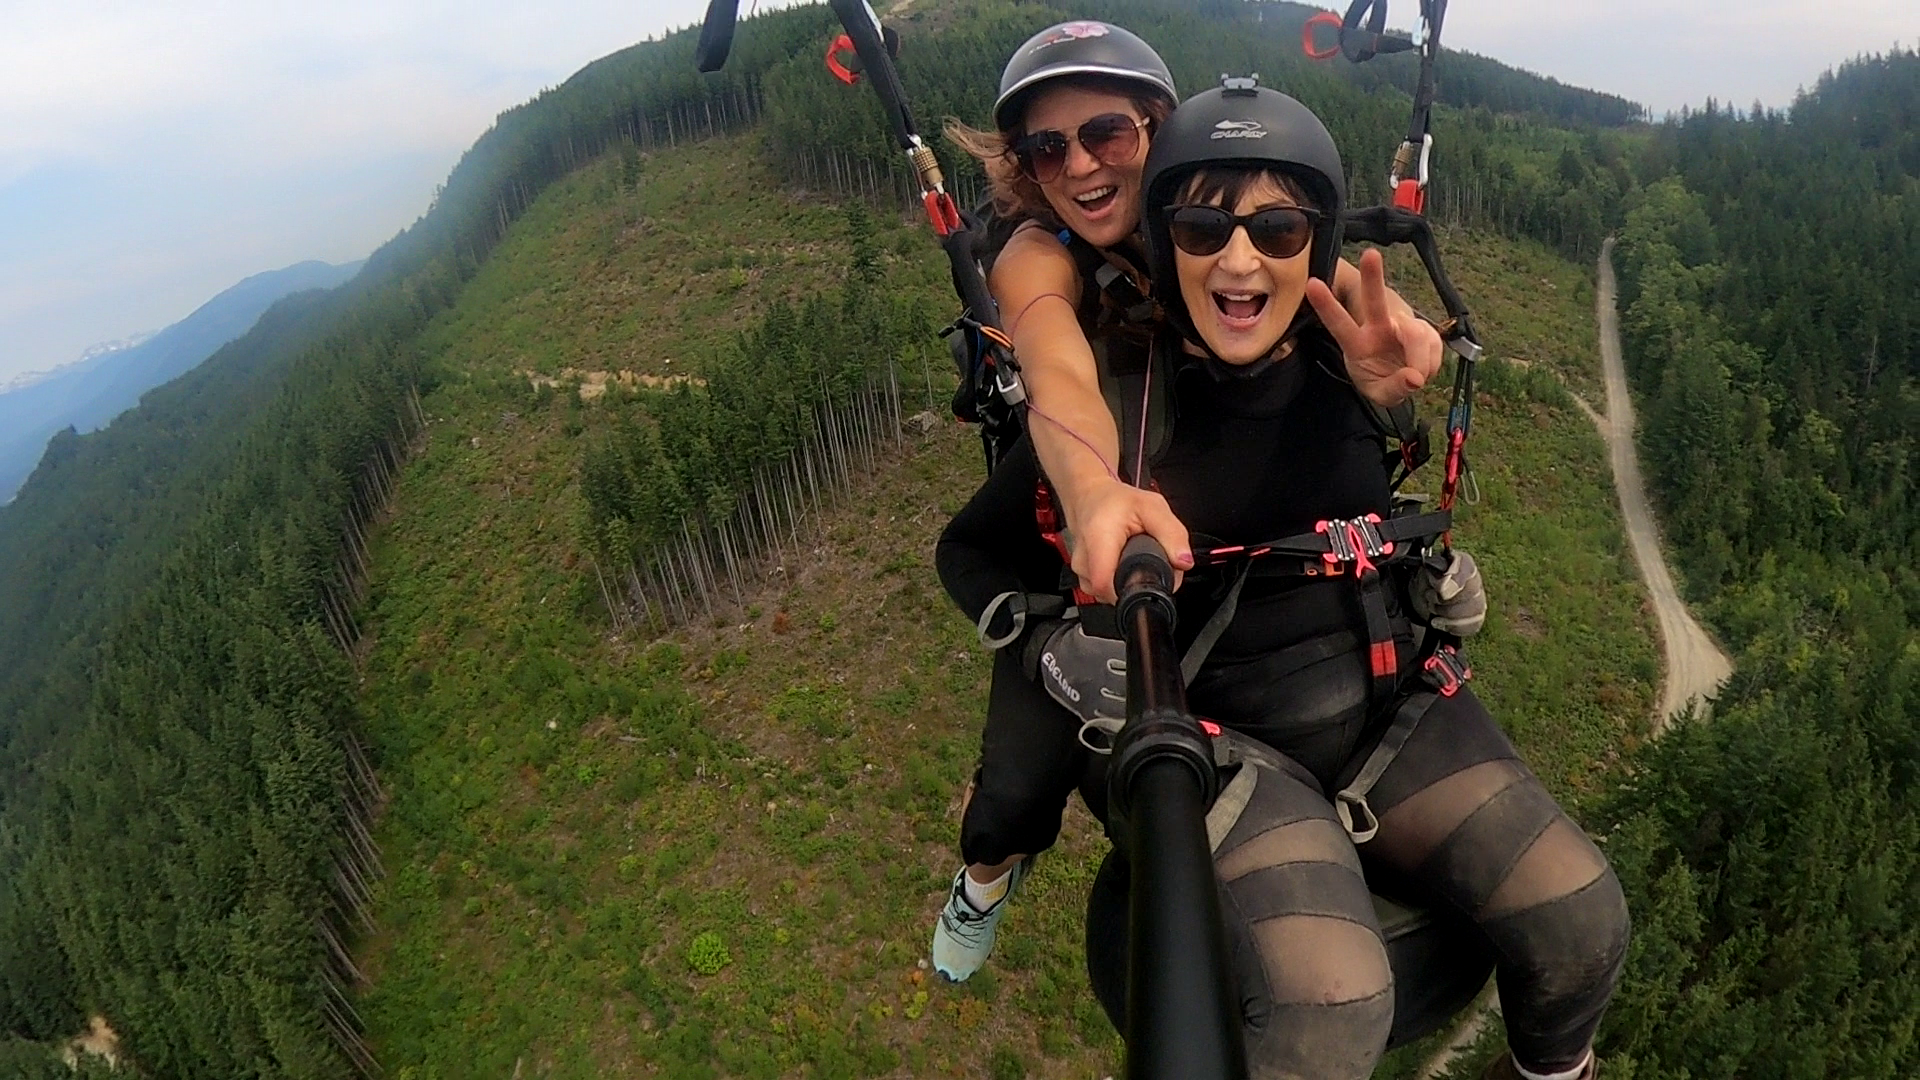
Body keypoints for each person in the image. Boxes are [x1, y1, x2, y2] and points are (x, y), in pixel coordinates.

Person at [975, 78, 1632, 1080]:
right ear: (1167, 234)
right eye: (1200, 228)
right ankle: (984, 871)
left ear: (1315, 246)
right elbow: (1004, 487)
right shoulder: (1121, 389)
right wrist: (1068, 571)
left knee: (1582, 921)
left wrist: (1427, 560)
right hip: (1218, 732)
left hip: (1377, 702)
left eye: (1280, 230)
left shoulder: (1346, 364)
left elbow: (1367, 483)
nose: (1239, 257)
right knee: (1332, 999)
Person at [929, 18, 1449, 985]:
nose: (1080, 164)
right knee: (1016, 788)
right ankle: (984, 879)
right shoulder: (1035, 255)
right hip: (1080, 523)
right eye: (1048, 147)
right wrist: (1091, 492)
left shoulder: (1212, 214)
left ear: (1160, 133)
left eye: (1108, 135)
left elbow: (1308, 260)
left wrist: (1403, 333)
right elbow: (1049, 351)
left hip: (1190, 498)